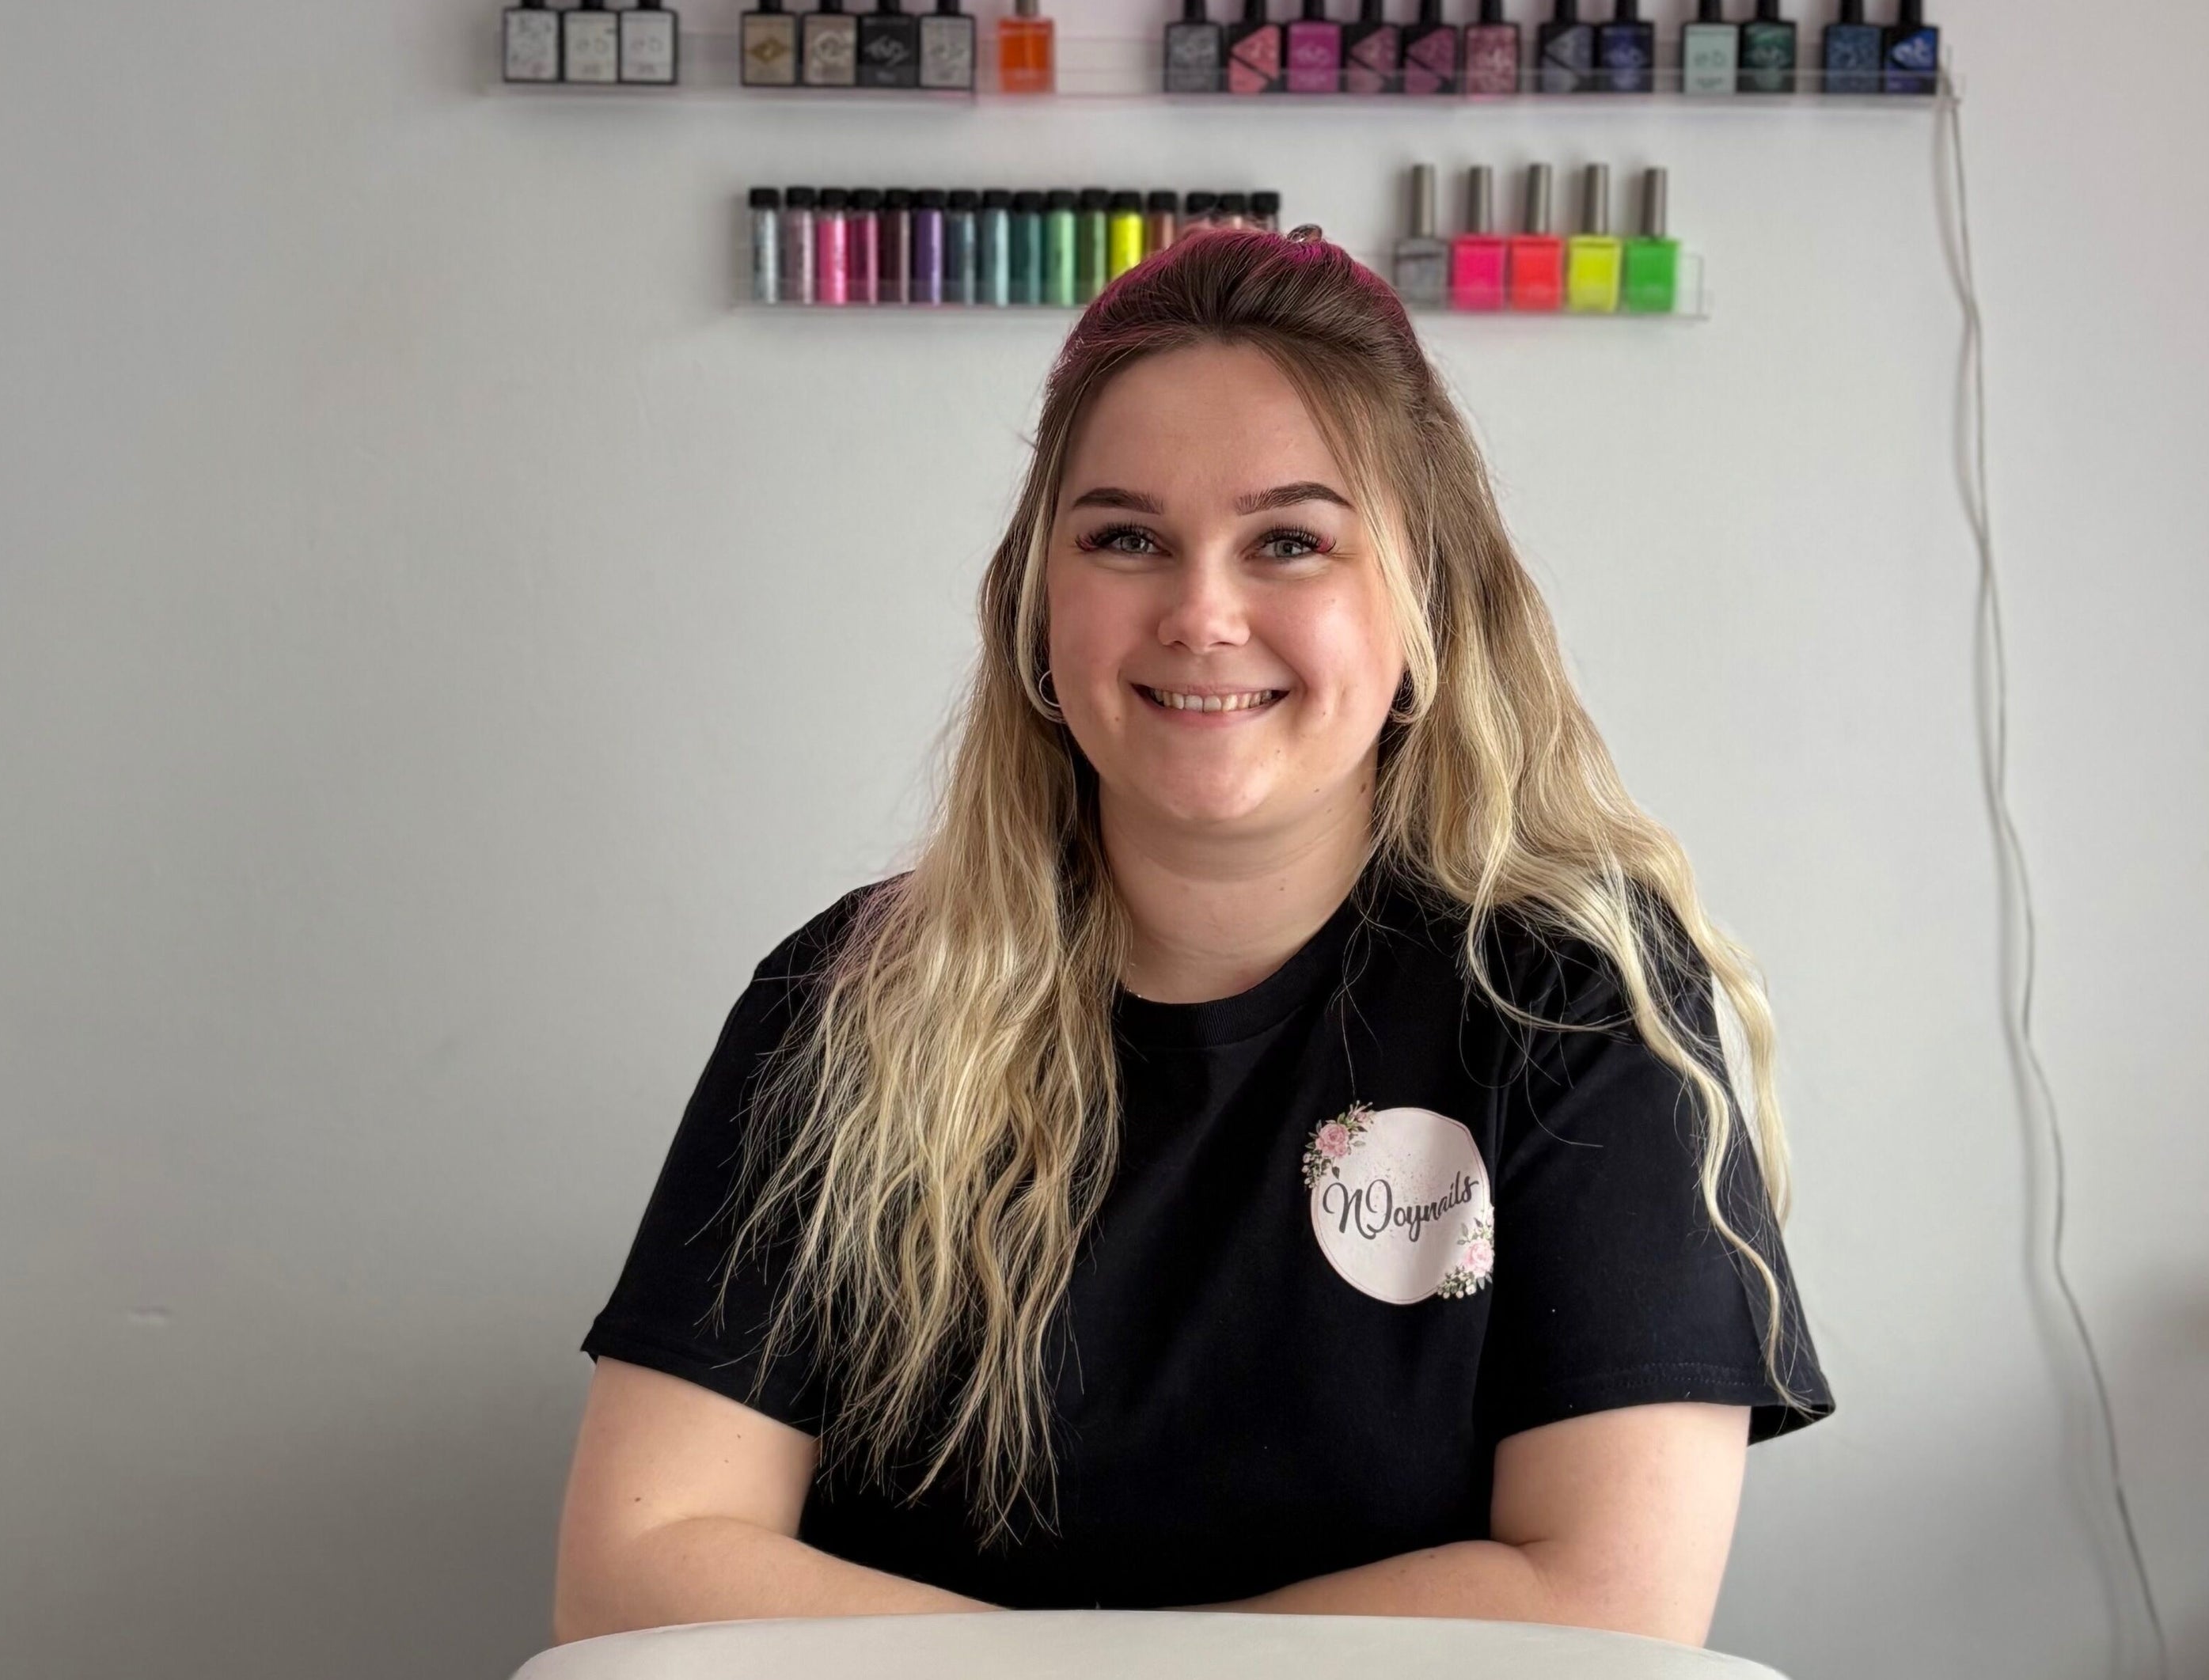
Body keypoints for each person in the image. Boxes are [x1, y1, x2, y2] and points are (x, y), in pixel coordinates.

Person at [550, 225, 1830, 1651]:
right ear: (1039, 605)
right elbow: (639, 1566)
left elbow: (1606, 1608)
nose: (1202, 613)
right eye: (1125, 539)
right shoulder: (843, 1004)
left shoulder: (1577, 1004)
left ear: (1426, 598)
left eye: (1290, 541)